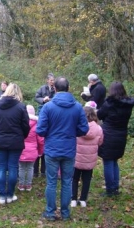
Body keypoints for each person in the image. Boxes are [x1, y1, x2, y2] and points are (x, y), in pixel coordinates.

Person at [36, 76, 89, 221]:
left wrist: (52, 134)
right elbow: (84, 129)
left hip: (52, 149)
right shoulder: (77, 107)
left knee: (52, 182)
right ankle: (65, 213)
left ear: (54, 88)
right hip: (68, 149)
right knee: (66, 181)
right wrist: (71, 133)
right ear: (69, 88)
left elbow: (40, 130)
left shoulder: (48, 107)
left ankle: (50, 212)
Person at [0, 83, 30, 205]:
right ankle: (10, 194)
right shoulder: (21, 107)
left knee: (1, 167)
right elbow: (26, 126)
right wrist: (22, 136)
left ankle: (2, 195)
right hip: (15, 141)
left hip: (0, 141)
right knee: (13, 167)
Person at [97, 81, 134, 197]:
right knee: (114, 161)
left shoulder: (109, 104)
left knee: (108, 161)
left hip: (109, 134)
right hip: (121, 134)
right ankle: (115, 187)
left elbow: (99, 115)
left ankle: (110, 189)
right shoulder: (128, 105)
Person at [71, 106, 103, 208]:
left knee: (74, 179)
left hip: (77, 158)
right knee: (87, 179)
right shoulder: (98, 128)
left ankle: (73, 199)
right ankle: (83, 199)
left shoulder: (76, 127)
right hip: (90, 159)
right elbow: (100, 142)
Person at [18, 105, 44, 192]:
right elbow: (41, 141)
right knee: (30, 168)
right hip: (33, 150)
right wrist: (40, 151)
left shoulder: (20, 124)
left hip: (21, 149)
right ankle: (28, 185)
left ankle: (21, 185)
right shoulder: (37, 125)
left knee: (21, 168)